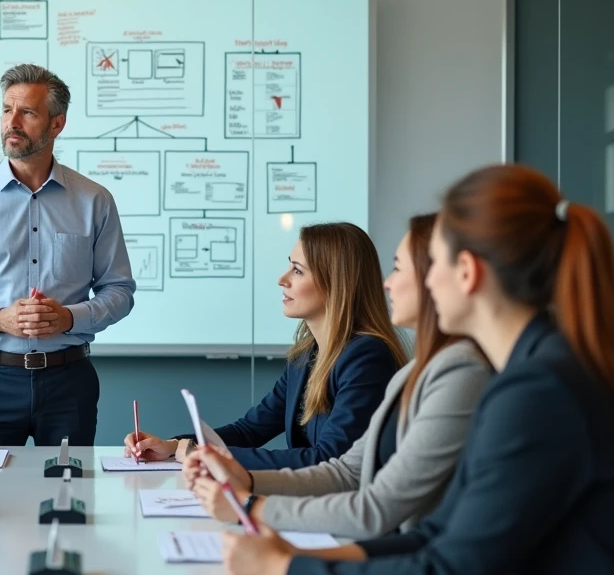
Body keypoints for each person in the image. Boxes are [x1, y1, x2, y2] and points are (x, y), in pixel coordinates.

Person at [221, 165, 614, 575]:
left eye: (428, 261)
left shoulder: (537, 389)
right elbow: (438, 533)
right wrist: (293, 554)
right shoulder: (528, 371)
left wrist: (287, 572)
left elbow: (446, 573)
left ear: (467, 272)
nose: (404, 280)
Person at [189, 214, 491, 538]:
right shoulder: (407, 372)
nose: (387, 282)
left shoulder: (408, 363)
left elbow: (366, 499)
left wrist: (250, 504)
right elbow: (345, 472)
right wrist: (192, 449)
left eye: (399, 268)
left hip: (376, 545)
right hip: (355, 533)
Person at [0, 63, 136, 446]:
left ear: (57, 124)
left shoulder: (94, 200)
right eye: (6, 110)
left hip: (69, 380)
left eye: (27, 112)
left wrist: (69, 317)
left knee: (71, 498)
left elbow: (119, 290)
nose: (11, 122)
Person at [126, 222, 406, 469]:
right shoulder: (306, 355)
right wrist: (174, 445)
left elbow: (329, 459)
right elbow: (250, 430)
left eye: (297, 271)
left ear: (336, 283)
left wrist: (204, 454)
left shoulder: (367, 357)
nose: (282, 280)